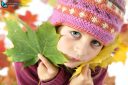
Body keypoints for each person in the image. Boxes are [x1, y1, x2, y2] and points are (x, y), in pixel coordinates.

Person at [14, 0, 125, 85]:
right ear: (56, 27)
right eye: (75, 34)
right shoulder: (29, 58)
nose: (81, 51)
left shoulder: (95, 68)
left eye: (96, 43)